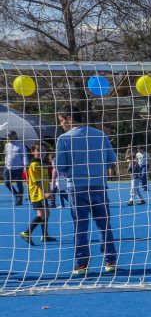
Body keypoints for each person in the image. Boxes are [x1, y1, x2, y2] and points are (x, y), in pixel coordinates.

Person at [54, 106, 117, 275]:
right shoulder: (100, 135)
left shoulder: (64, 139)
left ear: (68, 118)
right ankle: (110, 261)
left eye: (61, 121)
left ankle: (82, 264)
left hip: (77, 187)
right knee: (104, 225)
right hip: (99, 186)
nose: (61, 125)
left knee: (80, 227)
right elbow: (112, 159)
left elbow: (60, 166)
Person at [19, 143, 56, 245]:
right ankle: (26, 232)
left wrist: (49, 191)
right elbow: (37, 181)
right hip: (37, 194)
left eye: (43, 150)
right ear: (33, 152)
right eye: (38, 150)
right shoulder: (34, 164)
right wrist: (45, 193)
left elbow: (45, 180)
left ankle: (45, 235)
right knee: (42, 214)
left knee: (46, 213)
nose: (41, 152)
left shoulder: (42, 164)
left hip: (43, 194)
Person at [4, 131, 28, 205]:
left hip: (18, 168)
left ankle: (19, 200)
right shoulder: (7, 145)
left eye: (10, 136)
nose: (8, 137)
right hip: (8, 167)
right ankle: (17, 195)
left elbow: (24, 155)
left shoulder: (20, 145)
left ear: (14, 136)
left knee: (19, 184)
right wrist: (5, 162)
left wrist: (25, 165)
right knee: (7, 183)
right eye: (8, 136)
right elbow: (6, 154)